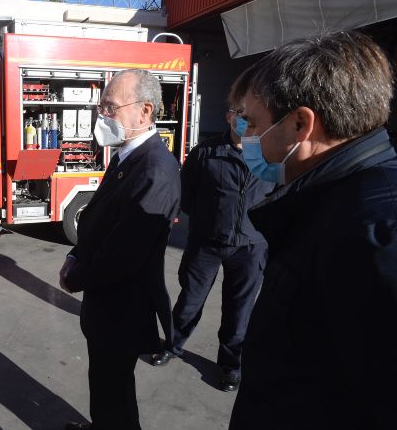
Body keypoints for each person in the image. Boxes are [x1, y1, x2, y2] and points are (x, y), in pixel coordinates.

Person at [228, 31, 397, 429]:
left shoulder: (374, 233)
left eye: (251, 123)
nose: (245, 138)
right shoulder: (337, 202)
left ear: (301, 124)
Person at [59, 68, 180, 430]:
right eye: (101, 108)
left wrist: (76, 276)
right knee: (106, 389)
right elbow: (97, 218)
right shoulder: (127, 156)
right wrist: (74, 255)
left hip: (123, 307)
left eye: (110, 107)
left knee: (117, 399)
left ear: (144, 111)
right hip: (106, 305)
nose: (102, 117)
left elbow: (124, 253)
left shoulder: (156, 169)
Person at [156, 97, 273, 392]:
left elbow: (281, 195)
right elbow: (186, 194)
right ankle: (172, 345)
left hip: (250, 247)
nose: (245, 120)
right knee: (190, 300)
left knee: (239, 309)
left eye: (251, 115)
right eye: (239, 114)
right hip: (206, 242)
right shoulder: (206, 152)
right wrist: (210, 219)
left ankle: (231, 365)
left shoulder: (270, 154)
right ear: (228, 116)